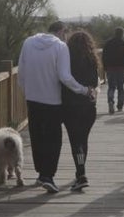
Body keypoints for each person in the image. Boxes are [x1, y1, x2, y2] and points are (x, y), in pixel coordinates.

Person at [18, 21, 97, 193]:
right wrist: (83, 90)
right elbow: (64, 76)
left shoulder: (28, 42)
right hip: (53, 100)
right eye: (65, 33)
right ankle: (48, 175)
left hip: (32, 99)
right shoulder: (60, 47)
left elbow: (21, 72)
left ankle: (41, 173)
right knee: (54, 140)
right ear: (61, 31)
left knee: (37, 137)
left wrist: (27, 92)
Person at [62, 29, 101, 191]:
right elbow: (95, 81)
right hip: (88, 107)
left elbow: (63, 80)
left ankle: (81, 174)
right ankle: (80, 172)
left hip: (70, 106)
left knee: (75, 141)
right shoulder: (93, 60)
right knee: (83, 140)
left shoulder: (66, 60)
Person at [101, 27, 124, 114]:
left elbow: (104, 56)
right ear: (123, 34)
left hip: (110, 68)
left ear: (114, 33)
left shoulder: (108, 43)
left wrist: (105, 67)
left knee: (111, 87)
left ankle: (110, 101)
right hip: (121, 68)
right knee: (120, 87)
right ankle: (120, 106)